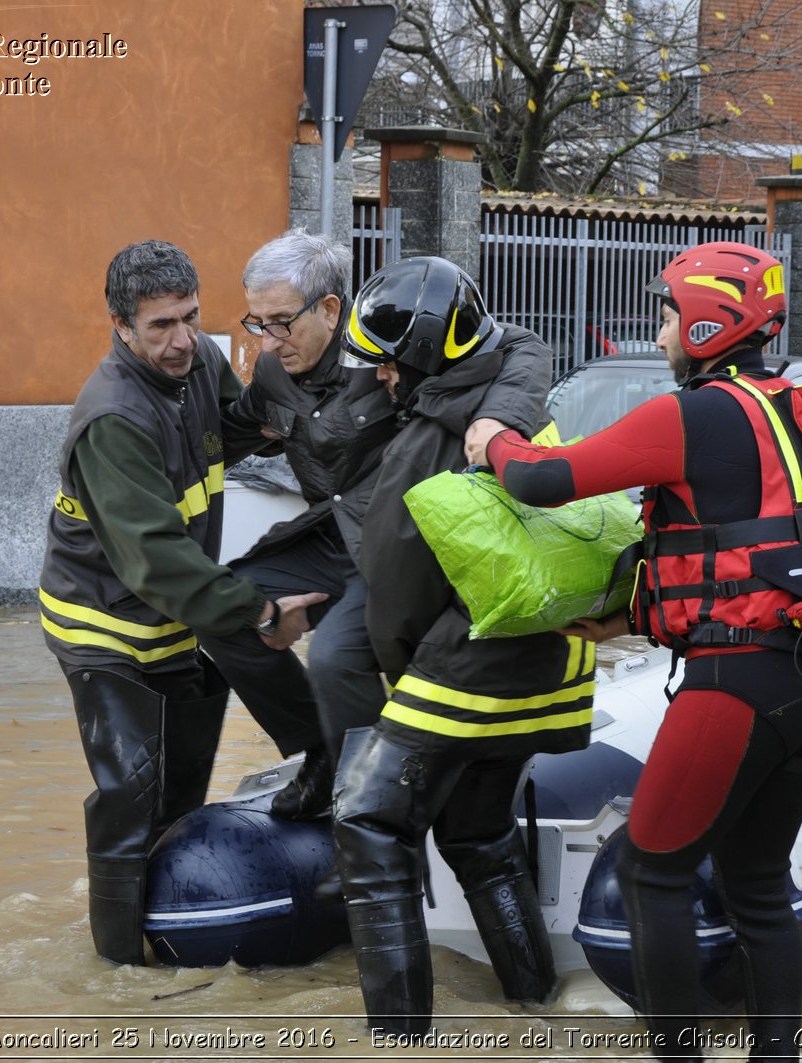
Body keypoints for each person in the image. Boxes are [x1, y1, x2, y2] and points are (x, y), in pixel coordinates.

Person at [480, 241, 802, 1061]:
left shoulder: (693, 414)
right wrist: (630, 614)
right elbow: (751, 545)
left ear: (707, 320)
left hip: (738, 682)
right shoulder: (801, 409)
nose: (658, 333)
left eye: (666, 314)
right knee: (758, 886)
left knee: (651, 874)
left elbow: (545, 480)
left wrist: (492, 442)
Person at [38, 239, 323, 964]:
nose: (182, 340)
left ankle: (177, 926)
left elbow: (235, 423)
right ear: (120, 325)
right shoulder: (112, 420)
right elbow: (156, 559)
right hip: (104, 628)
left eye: (191, 318)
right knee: (130, 800)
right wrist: (262, 615)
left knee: (183, 795)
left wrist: (297, 408)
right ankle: (118, 980)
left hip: (176, 616)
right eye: (161, 325)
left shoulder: (199, 361)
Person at [332, 256, 594, 1038]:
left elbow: (394, 587)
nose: (379, 380)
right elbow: (519, 337)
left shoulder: (423, 444)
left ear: (416, 360)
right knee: (478, 833)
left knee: (366, 819)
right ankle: (534, 1007)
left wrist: (400, 682)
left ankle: (401, 1038)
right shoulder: (510, 396)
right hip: (551, 663)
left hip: (468, 671)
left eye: (386, 366)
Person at [208, 229, 547, 820]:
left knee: (336, 658)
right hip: (326, 536)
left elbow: (522, 346)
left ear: (331, 308)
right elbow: (226, 437)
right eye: (256, 323)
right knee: (223, 611)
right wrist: (143, 444)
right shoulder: (272, 374)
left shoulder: (390, 341)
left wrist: (495, 421)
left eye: (282, 322)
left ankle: (369, 797)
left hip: (394, 539)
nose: (267, 342)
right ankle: (320, 754)